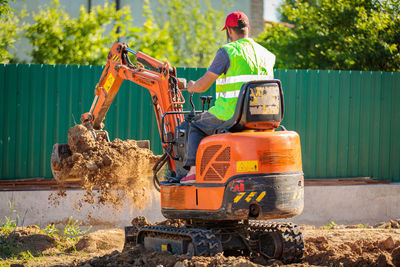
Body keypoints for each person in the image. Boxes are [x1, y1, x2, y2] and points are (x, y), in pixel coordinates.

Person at [181, 11, 276, 184]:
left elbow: (203, 85)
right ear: (247, 28)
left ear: (229, 31)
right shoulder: (267, 55)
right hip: (261, 116)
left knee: (195, 125)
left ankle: (193, 172)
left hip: (231, 115)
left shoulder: (228, 52)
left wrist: (192, 86)